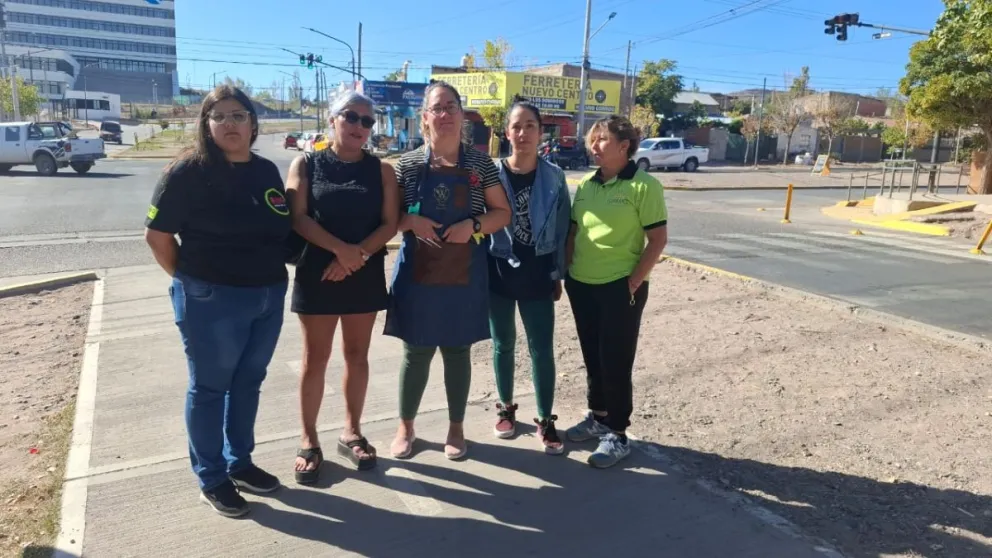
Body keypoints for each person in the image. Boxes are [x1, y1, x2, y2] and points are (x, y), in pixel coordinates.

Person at [144, 86, 291, 517]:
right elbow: (157, 237)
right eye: (220, 116)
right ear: (206, 124)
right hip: (212, 298)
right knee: (209, 389)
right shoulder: (187, 172)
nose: (230, 124)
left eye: (239, 115)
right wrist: (192, 282)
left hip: (267, 295)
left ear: (253, 124)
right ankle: (211, 477)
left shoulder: (265, 170)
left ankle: (239, 462)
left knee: (248, 383)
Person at [385, 80, 512, 461]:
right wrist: (411, 220)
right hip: (417, 272)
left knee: (457, 350)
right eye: (437, 108)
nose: (444, 114)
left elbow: (502, 213)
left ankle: (456, 427)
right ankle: (405, 426)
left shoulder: (480, 164)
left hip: (464, 271)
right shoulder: (408, 165)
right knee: (416, 351)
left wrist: (472, 225)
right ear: (425, 117)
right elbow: (390, 220)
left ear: (461, 114)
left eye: (451, 106)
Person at [285, 92, 399, 484]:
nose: (358, 126)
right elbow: (298, 218)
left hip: (363, 272)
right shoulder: (306, 163)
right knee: (315, 358)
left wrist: (357, 255)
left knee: (357, 355)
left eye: (367, 121)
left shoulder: (382, 171)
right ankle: (309, 439)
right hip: (318, 274)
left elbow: (390, 223)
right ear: (333, 119)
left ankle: (351, 431)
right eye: (351, 117)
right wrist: (341, 251)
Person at [564, 115, 668, 469]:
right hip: (582, 283)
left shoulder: (644, 186)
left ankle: (618, 433)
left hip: (620, 286)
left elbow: (658, 240)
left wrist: (635, 281)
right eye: (592, 140)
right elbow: (574, 232)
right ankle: (598, 416)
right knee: (593, 356)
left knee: (616, 360)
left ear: (624, 146)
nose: (594, 146)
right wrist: (567, 271)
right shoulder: (587, 184)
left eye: (602, 139)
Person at [486, 99, 570, 455]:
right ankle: (505, 408)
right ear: (507, 133)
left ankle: (545, 419)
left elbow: (563, 229)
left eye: (530, 126)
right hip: (498, 269)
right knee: (502, 343)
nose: (523, 133)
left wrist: (558, 274)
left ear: (540, 132)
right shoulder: (490, 174)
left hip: (538, 272)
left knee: (541, 349)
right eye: (516, 126)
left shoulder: (554, 177)